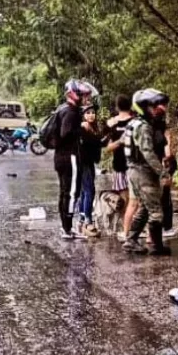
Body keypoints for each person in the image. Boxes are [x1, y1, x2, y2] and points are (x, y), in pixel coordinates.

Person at [122, 88, 172, 256]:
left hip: (136, 170)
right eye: (153, 106)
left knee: (144, 207)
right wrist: (162, 172)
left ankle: (131, 240)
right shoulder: (142, 127)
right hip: (142, 171)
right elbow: (147, 152)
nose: (157, 109)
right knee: (156, 211)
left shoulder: (136, 123)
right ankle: (157, 246)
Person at [55, 79, 96, 240]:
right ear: (74, 95)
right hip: (69, 157)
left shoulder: (64, 109)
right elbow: (66, 134)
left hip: (62, 157)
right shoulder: (70, 112)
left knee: (66, 193)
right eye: (84, 95)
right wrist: (81, 128)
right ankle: (67, 229)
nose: (86, 99)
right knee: (71, 193)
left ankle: (66, 227)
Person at [105, 94, 137, 240]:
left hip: (120, 166)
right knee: (135, 200)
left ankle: (127, 230)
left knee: (126, 200)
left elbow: (108, 147)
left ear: (117, 107)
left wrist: (118, 142)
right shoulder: (136, 122)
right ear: (130, 105)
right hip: (134, 165)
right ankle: (132, 229)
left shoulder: (112, 124)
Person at [77, 104, 104, 237]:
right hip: (83, 163)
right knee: (89, 191)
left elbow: (98, 142)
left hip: (88, 163)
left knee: (84, 191)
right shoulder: (82, 128)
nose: (91, 115)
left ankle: (82, 218)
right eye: (88, 113)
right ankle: (88, 220)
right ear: (83, 115)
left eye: (93, 112)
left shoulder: (92, 128)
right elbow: (96, 142)